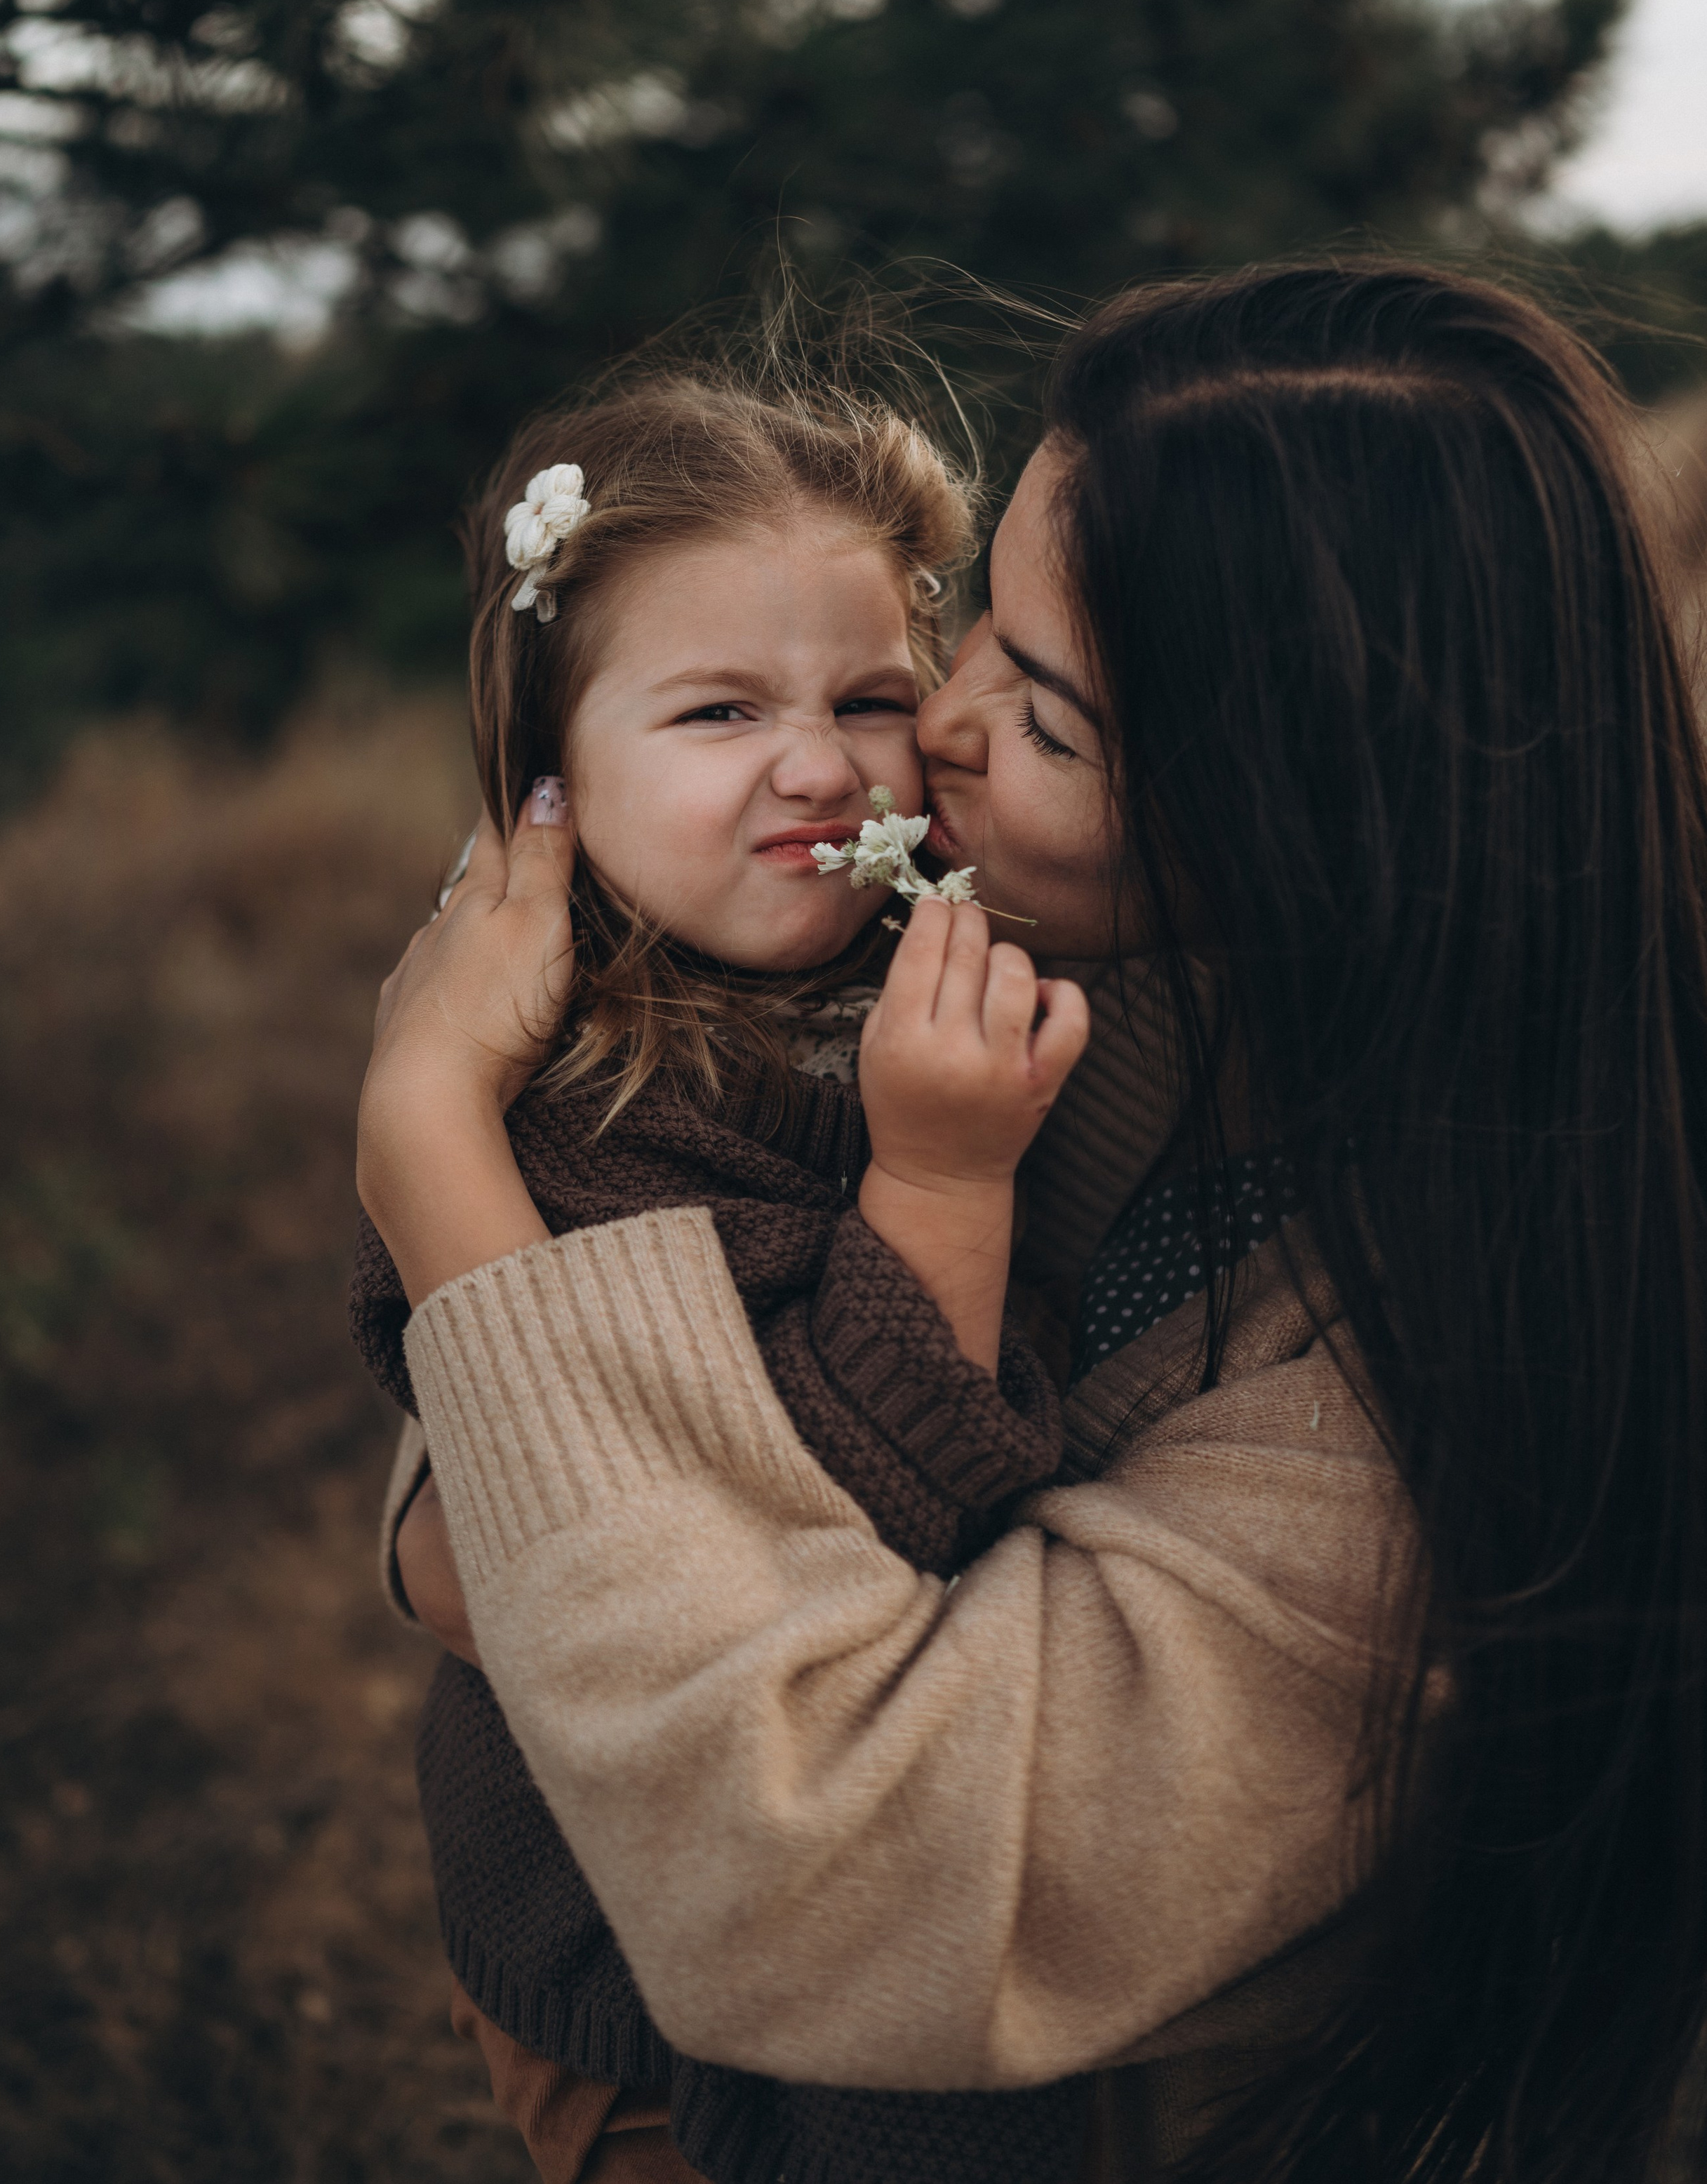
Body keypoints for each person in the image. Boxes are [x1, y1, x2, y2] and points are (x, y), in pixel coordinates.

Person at [361, 262, 1707, 2184]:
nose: (941, 726)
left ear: (1303, 821)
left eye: (1052, 717)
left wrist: (433, 1160)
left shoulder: (1443, 1402)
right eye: (974, 619)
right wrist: (467, 1483)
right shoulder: (1061, 969)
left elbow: (817, 1886)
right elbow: (563, 1347)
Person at [352, 366, 1104, 2184]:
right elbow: (809, 1519)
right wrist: (939, 1171)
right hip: (637, 1957)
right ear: (549, 775)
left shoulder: (911, 955)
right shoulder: (581, 1094)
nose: (821, 765)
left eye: (867, 694)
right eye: (714, 709)